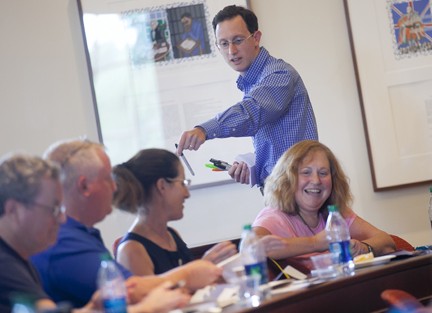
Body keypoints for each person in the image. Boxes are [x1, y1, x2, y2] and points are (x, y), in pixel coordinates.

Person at [31, 139, 221, 308]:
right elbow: (133, 292)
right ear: (84, 186)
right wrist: (190, 273)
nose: (115, 187)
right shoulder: (65, 242)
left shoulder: (82, 235)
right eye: (107, 179)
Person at [0, 154, 188, 313]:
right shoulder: (5, 264)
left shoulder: (18, 258)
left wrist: (91, 308)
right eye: (53, 209)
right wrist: (146, 308)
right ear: (13, 210)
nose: (61, 219)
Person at [176, 5, 318, 189]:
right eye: (224, 44)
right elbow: (278, 148)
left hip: (301, 191)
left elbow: (251, 112)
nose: (231, 51)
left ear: (256, 38)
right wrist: (253, 167)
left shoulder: (279, 74)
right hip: (282, 191)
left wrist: (204, 130)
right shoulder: (252, 82)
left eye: (238, 40)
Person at [252, 140, 396, 267]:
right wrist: (315, 242)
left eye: (323, 173)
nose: (316, 181)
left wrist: (363, 248)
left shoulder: (336, 213)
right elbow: (251, 249)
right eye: (306, 172)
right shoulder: (274, 216)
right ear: (287, 179)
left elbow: (386, 240)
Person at [112, 148, 237, 276]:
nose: (187, 194)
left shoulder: (171, 235)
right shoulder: (131, 251)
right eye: (182, 183)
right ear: (162, 186)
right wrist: (201, 267)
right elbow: (160, 295)